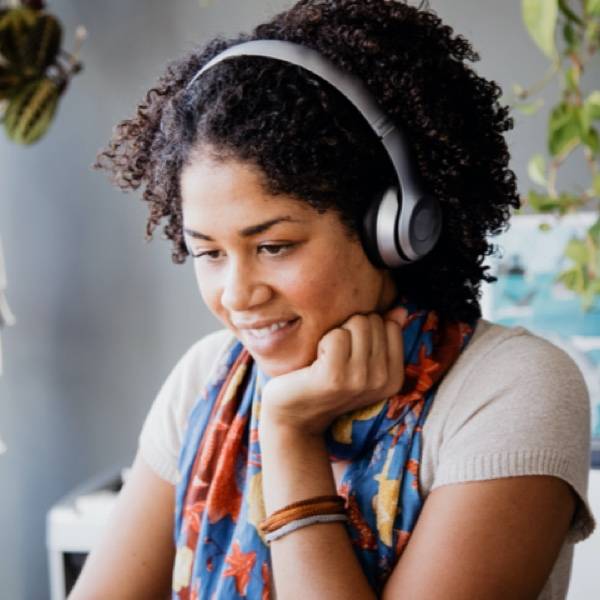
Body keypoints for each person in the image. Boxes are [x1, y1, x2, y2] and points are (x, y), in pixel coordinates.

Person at [70, 1, 596, 598]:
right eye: (209, 253)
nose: (237, 295)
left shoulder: (510, 389)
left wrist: (289, 434)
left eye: (273, 246)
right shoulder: (206, 379)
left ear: (394, 228)